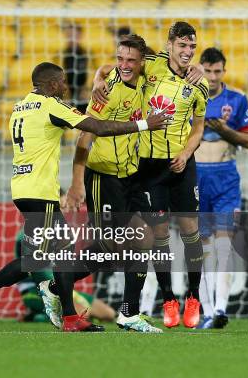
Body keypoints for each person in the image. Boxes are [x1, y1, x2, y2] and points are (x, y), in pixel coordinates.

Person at [0, 61, 169, 332]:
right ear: (50, 85)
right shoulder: (51, 105)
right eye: (62, 82)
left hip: (23, 187)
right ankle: (65, 315)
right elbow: (98, 127)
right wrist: (144, 124)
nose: (65, 86)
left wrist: (98, 82)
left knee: (42, 256)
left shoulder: (20, 106)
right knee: (58, 252)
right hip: (39, 190)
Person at [92, 21, 209, 329]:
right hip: (148, 165)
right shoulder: (152, 65)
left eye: (191, 47)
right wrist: (95, 80)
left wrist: (186, 153)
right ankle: (169, 298)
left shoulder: (200, 82)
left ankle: (193, 297)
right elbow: (112, 67)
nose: (187, 52)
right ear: (169, 45)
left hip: (181, 163)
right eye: (182, 46)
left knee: (190, 229)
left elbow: (198, 127)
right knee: (157, 234)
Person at [66, 35, 162, 333]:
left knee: (144, 239)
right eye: (119, 59)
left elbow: (169, 64)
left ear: (142, 62)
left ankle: (129, 314)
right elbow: (85, 136)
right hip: (102, 176)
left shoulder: (146, 79)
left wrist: (100, 70)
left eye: (131, 60)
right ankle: (59, 282)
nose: (123, 65)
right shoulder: (107, 93)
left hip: (129, 176)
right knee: (114, 246)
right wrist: (76, 183)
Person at [196, 48, 248, 329]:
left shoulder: (237, 99)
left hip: (225, 178)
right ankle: (208, 311)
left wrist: (223, 130)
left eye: (217, 71)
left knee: (224, 245)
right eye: (207, 71)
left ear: (224, 71)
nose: (212, 77)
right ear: (201, 69)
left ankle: (220, 309)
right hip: (195, 178)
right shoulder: (189, 96)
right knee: (203, 248)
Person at [15, 191, 115, 324]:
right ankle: (37, 316)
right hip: (36, 290)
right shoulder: (29, 233)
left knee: (109, 314)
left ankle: (43, 313)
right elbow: (40, 273)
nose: (65, 210)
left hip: (61, 285)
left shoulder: (59, 230)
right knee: (81, 313)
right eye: (61, 206)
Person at [62, 23, 88, 113]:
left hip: (83, 94)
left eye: (74, 35)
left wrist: (87, 89)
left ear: (80, 36)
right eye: (69, 35)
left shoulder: (87, 54)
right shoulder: (61, 54)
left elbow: (94, 72)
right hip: (65, 94)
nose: (71, 38)